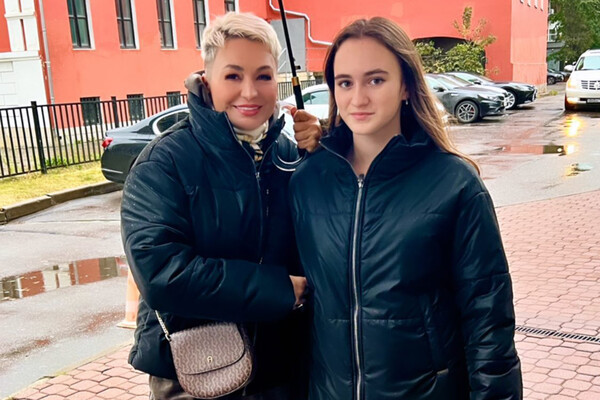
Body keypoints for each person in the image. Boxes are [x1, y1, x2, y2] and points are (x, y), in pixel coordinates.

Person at [289, 17, 523, 399]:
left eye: (375, 80)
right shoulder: (308, 182)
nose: (358, 98)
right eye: (345, 82)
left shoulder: (454, 184)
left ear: (406, 87)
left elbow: (488, 321)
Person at [121, 12, 319, 400]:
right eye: (233, 76)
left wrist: (325, 155)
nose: (250, 91)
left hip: (280, 370)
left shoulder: (290, 156)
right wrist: (278, 289)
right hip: (197, 372)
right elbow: (162, 274)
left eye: (263, 76)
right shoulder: (164, 162)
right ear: (207, 80)